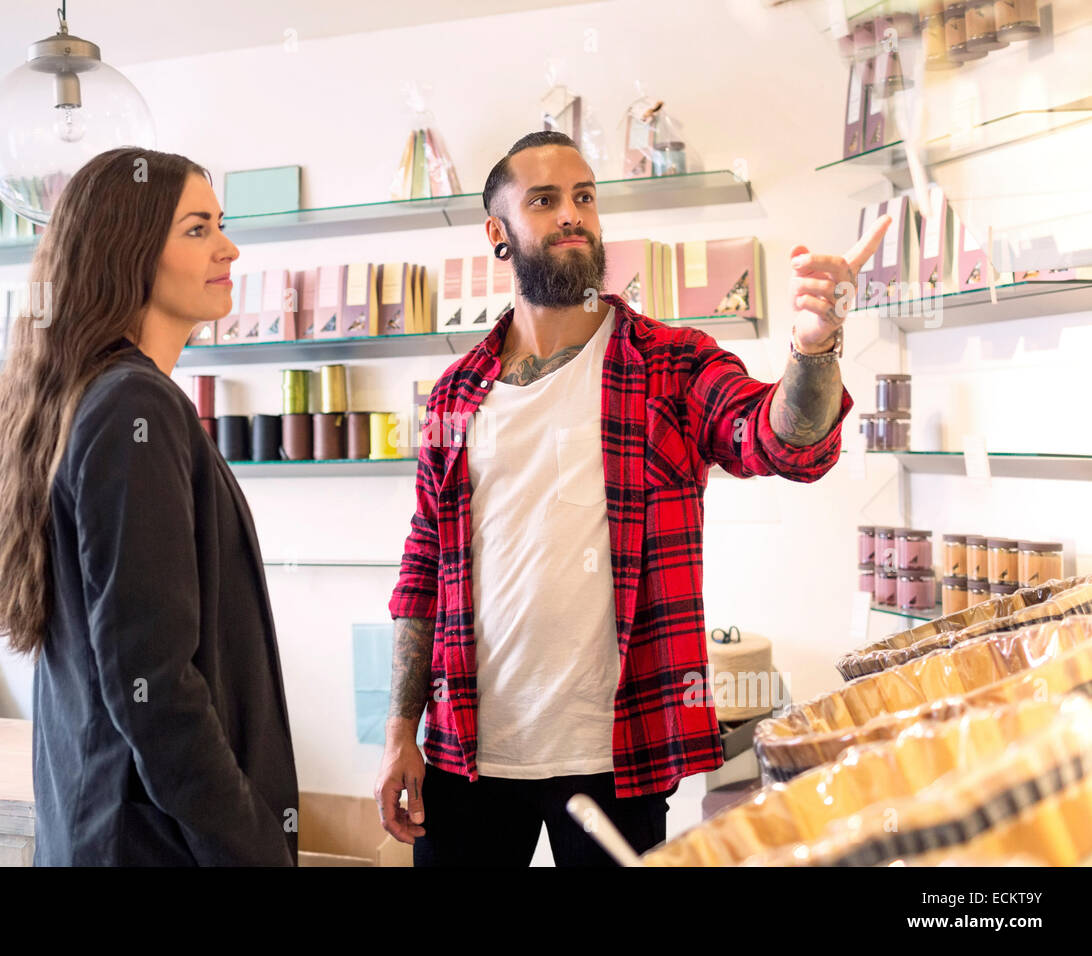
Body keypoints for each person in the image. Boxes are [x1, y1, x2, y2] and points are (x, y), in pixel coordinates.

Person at [375, 130, 889, 866]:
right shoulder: (459, 392)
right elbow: (422, 566)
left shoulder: (670, 364)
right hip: (467, 749)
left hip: (619, 749)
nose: (571, 215)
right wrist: (400, 728)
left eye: (583, 196)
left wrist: (815, 343)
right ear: (498, 232)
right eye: (544, 200)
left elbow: (780, 441)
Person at [0, 147, 298, 866]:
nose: (229, 247)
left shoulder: (98, 398)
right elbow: (155, 689)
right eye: (199, 228)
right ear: (131, 250)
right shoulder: (132, 405)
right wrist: (251, 849)